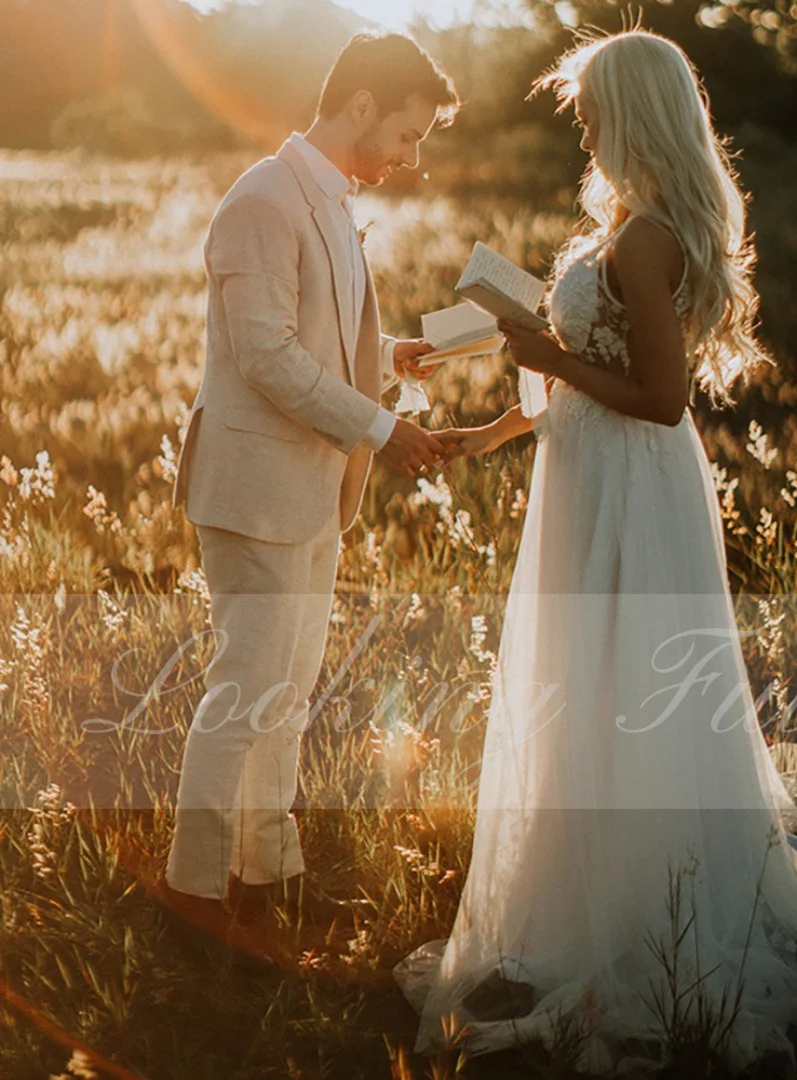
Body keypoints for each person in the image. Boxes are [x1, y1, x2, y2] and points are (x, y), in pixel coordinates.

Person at [392, 28, 797, 1076]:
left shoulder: (648, 238)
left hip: (635, 487)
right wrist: (489, 430)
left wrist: (541, 352)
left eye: (591, 109)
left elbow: (661, 401)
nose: (579, 125)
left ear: (634, 113)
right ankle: (579, 886)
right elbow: (584, 373)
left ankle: (648, 906)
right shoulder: (620, 223)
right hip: (587, 478)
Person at [160, 31, 459, 944]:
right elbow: (265, 356)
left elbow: (317, 343)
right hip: (251, 490)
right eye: (406, 136)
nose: (410, 161)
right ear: (361, 105)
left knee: (286, 693)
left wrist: (387, 360)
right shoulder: (260, 200)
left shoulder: (329, 198)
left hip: (314, 488)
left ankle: (267, 875)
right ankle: (194, 894)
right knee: (244, 689)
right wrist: (382, 426)